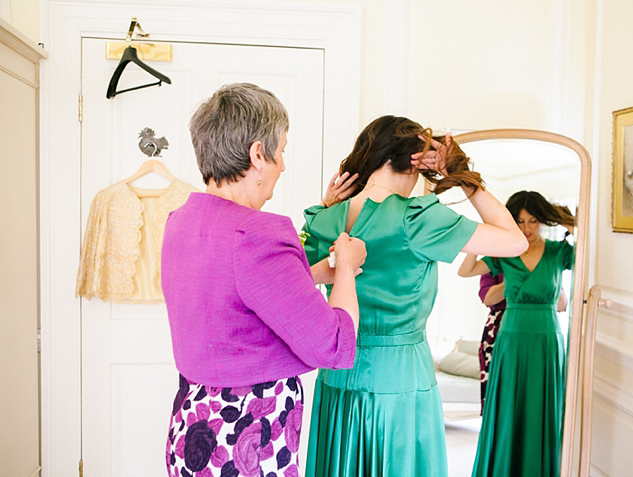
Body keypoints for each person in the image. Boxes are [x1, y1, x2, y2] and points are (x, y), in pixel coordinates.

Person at [301, 115, 528, 477]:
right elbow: (515, 242)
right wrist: (463, 178)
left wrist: (327, 208)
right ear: (412, 161)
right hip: (401, 379)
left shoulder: (324, 218)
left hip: (338, 378)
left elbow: (295, 279)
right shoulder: (416, 219)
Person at [161, 83, 366, 477]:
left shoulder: (180, 222)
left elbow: (235, 291)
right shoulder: (258, 234)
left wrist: (314, 272)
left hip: (191, 427)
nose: (283, 165)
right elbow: (335, 345)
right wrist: (345, 267)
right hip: (243, 438)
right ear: (258, 154)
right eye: (282, 150)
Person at [458, 190, 575, 477]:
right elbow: (466, 270)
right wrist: (484, 234)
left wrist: (571, 223)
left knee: (541, 407)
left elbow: (591, 255)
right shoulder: (506, 253)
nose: (526, 229)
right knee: (510, 408)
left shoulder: (558, 252)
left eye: (533, 221)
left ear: (543, 221)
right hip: (510, 339)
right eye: (519, 221)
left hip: (548, 340)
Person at [477, 271, 506, 414]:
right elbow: (487, 297)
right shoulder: (495, 258)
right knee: (495, 395)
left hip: (538, 325)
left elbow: (561, 304)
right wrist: (518, 275)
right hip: (497, 328)